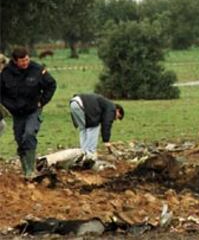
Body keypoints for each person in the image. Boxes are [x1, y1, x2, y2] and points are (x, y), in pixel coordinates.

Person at [0, 47, 57, 180]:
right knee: (20, 140)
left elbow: (51, 85)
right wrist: (6, 106)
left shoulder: (37, 69)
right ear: (15, 61)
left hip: (33, 110)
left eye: (27, 59)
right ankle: (26, 171)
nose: (25, 63)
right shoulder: (6, 73)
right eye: (22, 61)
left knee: (29, 134)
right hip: (17, 112)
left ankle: (31, 171)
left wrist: (42, 102)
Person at [69, 93, 124, 161]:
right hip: (82, 105)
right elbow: (107, 123)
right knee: (94, 126)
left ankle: (83, 153)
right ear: (118, 110)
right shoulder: (111, 107)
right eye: (118, 117)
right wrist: (106, 140)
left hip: (73, 103)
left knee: (83, 129)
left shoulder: (105, 105)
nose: (116, 119)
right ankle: (90, 155)